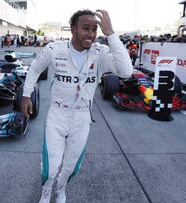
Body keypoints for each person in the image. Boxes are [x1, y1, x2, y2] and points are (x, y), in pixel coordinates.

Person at [21, 9, 132, 203]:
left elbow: (125, 71)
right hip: (57, 114)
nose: (90, 34)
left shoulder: (101, 53)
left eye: (94, 29)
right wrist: (25, 95)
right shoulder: (55, 49)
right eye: (85, 28)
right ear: (73, 29)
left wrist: (111, 34)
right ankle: (47, 189)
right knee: (50, 167)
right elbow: (35, 69)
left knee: (72, 167)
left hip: (82, 118)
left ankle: (61, 188)